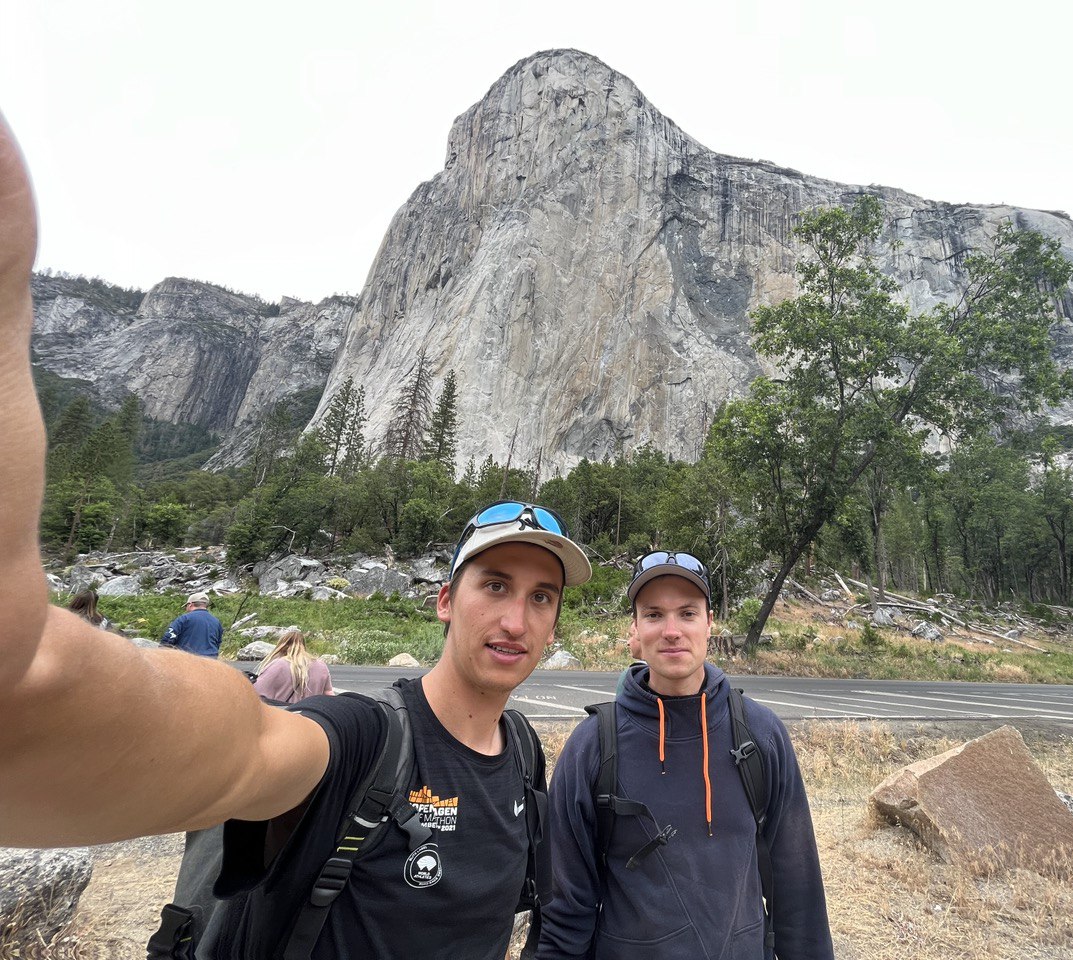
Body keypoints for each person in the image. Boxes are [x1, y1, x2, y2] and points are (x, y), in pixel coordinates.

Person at [0, 110, 590, 959]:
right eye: (493, 585)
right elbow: (242, 749)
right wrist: (34, 681)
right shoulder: (361, 739)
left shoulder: (527, 756)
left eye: (542, 597)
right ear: (442, 601)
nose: (517, 617)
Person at [537, 551, 834, 960]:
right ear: (636, 630)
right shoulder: (592, 747)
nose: (672, 631)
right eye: (655, 615)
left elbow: (797, 892)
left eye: (688, 613)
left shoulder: (762, 736)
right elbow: (564, 907)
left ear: (710, 624)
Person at [252, 627, 335, 704]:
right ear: (304, 645)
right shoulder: (321, 665)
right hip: (311, 715)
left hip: (284, 715)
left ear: (282, 646)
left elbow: (256, 692)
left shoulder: (278, 665)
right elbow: (329, 694)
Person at [159, 590, 224, 657]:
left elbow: (168, 638)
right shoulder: (216, 622)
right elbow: (218, 643)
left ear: (190, 605)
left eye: (186, 606)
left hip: (188, 660)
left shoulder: (184, 619)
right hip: (211, 661)